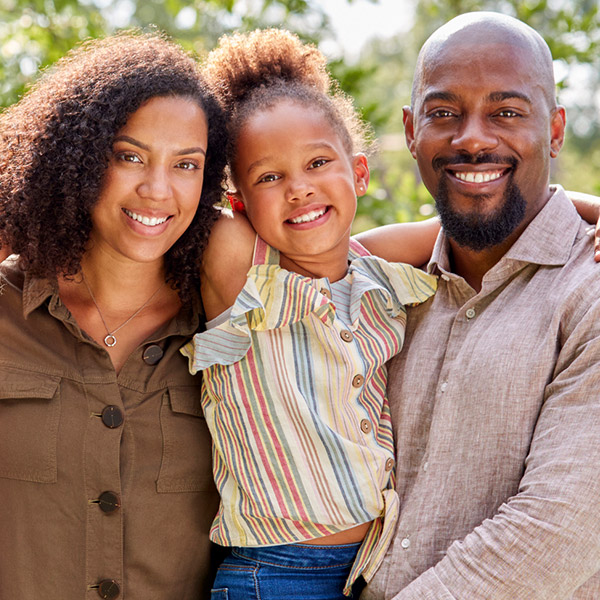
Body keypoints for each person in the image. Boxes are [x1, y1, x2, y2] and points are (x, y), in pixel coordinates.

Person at [181, 29, 438, 599]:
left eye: (319, 162)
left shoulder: (374, 264)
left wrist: (591, 210)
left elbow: (484, 218)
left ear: (360, 173)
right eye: (269, 177)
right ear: (239, 203)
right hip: (274, 575)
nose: (299, 188)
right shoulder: (242, 274)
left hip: (376, 567)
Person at [359, 12, 600, 600]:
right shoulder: (378, 292)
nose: (472, 137)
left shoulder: (589, 287)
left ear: (555, 129)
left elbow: (556, 533)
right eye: (444, 114)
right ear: (413, 131)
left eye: (507, 113)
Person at [0, 32, 227, 599]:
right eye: (129, 156)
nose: (157, 189)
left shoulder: (228, 329)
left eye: (186, 164)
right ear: (74, 160)